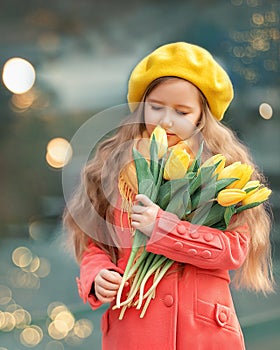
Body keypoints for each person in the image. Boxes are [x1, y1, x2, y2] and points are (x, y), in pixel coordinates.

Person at [63, 42, 274, 349]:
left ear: (203, 114)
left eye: (182, 111)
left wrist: (162, 228)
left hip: (202, 334)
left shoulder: (223, 170)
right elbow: (97, 243)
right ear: (141, 106)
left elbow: (233, 250)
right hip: (134, 329)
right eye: (156, 106)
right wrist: (98, 275)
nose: (166, 120)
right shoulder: (112, 167)